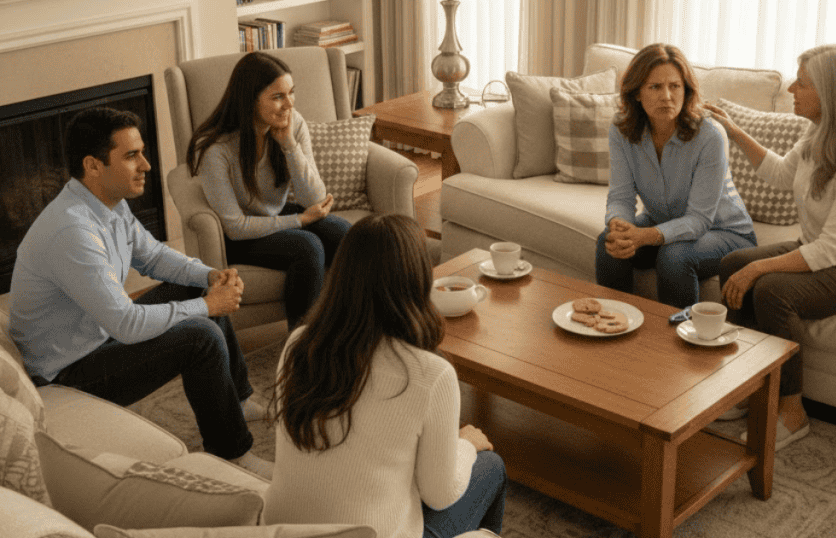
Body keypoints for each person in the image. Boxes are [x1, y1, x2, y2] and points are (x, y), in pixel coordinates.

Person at [9, 107, 273, 478]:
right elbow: (127, 324)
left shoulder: (108, 205)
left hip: (96, 335)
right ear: (93, 165)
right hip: (66, 371)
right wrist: (208, 306)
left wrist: (210, 275)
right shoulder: (72, 232)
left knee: (198, 288)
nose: (146, 165)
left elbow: (153, 256)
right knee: (201, 335)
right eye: (131, 156)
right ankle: (232, 452)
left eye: (142, 152)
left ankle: (238, 398)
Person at [704, 44, 836, 449]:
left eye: (802, 83)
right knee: (732, 264)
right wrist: (734, 131)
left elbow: (829, 252)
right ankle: (750, 388)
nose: (791, 90)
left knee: (770, 290)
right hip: (826, 250)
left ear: (832, 93)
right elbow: (782, 175)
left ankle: (792, 411)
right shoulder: (817, 132)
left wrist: (758, 269)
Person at [263, 214, 507, 538]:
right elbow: (440, 493)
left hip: (285, 532)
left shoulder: (299, 344)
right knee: (490, 467)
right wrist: (465, 446)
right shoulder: (432, 374)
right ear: (418, 282)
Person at [186, 51, 349, 330]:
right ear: (250, 100)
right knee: (307, 247)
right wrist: (299, 220)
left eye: (291, 93)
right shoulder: (217, 150)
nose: (289, 104)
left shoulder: (292, 122)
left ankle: (352, 327)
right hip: (239, 234)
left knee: (346, 235)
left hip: (273, 216)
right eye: (278, 97)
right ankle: (301, 345)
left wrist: (288, 145)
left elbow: (315, 198)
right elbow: (235, 227)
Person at [597, 43, 757, 309]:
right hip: (665, 220)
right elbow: (621, 195)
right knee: (608, 242)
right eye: (655, 87)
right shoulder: (621, 129)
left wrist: (644, 236)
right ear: (637, 92)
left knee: (674, 257)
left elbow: (698, 220)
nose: (667, 96)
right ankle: (612, 323)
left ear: (686, 90)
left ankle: (677, 345)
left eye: (675, 86)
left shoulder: (710, 136)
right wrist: (620, 226)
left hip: (726, 233)